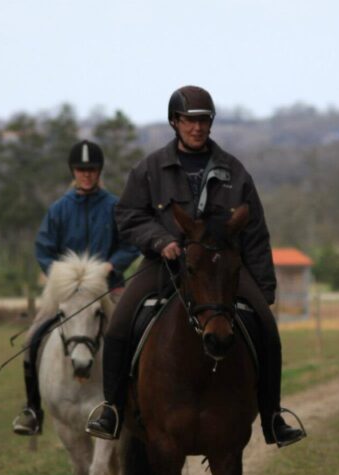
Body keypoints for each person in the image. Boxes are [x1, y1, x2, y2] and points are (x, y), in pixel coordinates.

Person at [85, 85, 306, 448]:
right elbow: (127, 214)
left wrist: (263, 289)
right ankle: (112, 409)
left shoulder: (234, 171)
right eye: (190, 120)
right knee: (121, 323)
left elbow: (255, 232)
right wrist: (161, 241)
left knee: (266, 329)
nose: (197, 128)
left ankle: (272, 416)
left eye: (204, 121)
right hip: (165, 264)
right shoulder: (150, 169)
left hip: (221, 270)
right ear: (175, 122)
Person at [11, 140, 140, 436]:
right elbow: (44, 250)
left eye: (92, 170)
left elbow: (131, 244)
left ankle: (133, 403)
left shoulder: (114, 207)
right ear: (74, 171)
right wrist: (59, 278)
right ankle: (33, 409)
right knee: (32, 339)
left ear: (99, 171)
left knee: (134, 336)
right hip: (66, 293)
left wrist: (112, 266)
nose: (87, 175)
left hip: (107, 289)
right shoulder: (58, 210)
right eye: (82, 170)